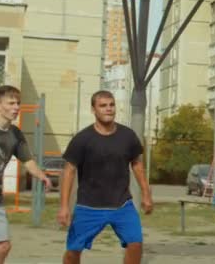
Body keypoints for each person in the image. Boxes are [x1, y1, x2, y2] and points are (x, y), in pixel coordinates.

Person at [57, 90, 153, 264]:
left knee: (136, 244)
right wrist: (64, 206)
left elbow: (137, 165)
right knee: (73, 251)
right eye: (103, 106)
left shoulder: (127, 136)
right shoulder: (83, 139)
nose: (108, 109)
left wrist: (146, 194)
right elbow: (69, 171)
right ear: (94, 110)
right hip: (89, 207)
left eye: (111, 105)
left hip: (122, 205)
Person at [0, 85, 52, 264]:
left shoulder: (15, 134)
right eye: (11, 103)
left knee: (3, 246)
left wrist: (41, 176)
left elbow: (28, 161)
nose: (16, 107)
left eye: (18, 103)